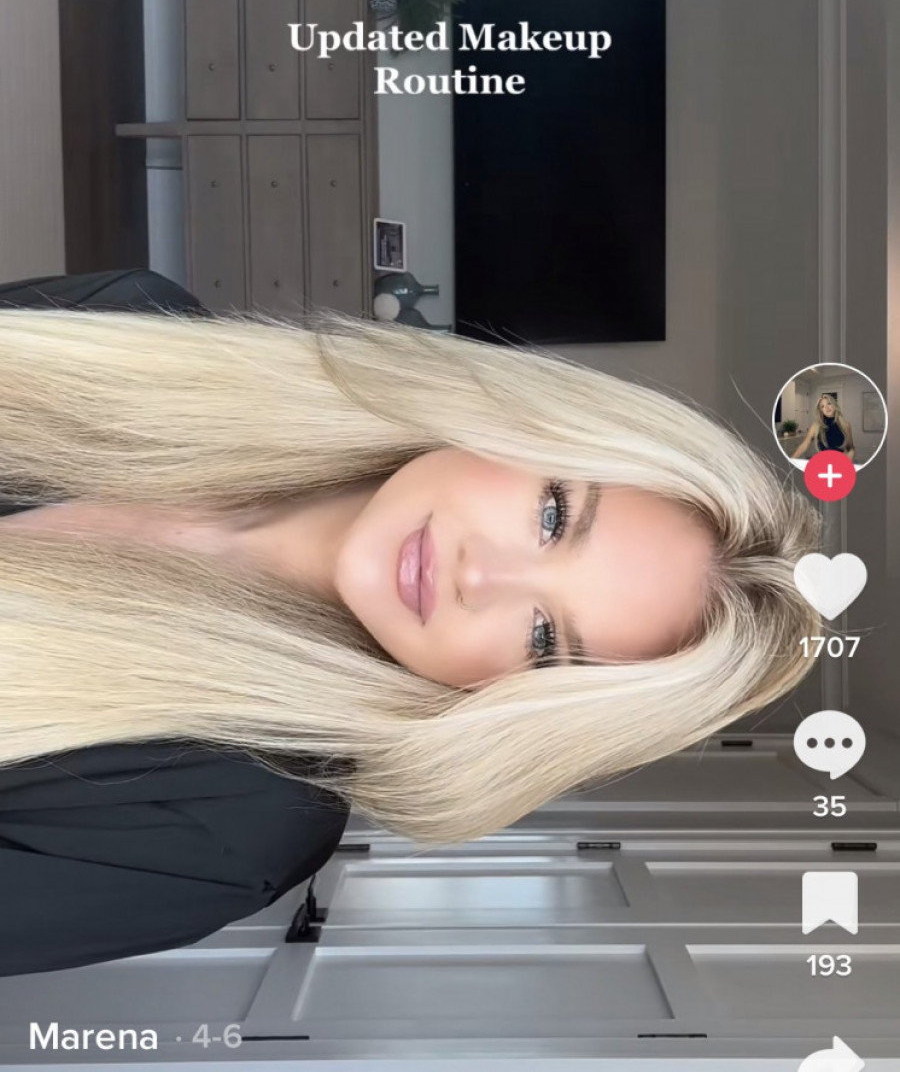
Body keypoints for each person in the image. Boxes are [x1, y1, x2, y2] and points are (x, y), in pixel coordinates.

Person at [0, 269, 821, 977]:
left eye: (545, 641)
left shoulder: (229, 827)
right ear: (531, 423)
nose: (480, 576)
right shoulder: (141, 328)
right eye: (552, 515)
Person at [790, 392, 856, 463]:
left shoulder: (845, 425)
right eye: (822, 406)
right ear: (821, 411)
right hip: (822, 463)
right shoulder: (816, 426)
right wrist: (791, 459)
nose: (826, 408)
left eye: (829, 403)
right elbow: (805, 444)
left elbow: (851, 448)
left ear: (834, 405)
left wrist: (849, 458)